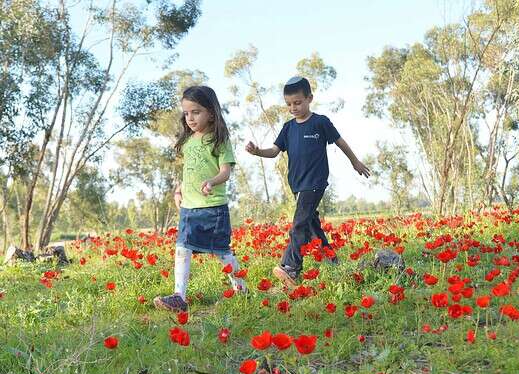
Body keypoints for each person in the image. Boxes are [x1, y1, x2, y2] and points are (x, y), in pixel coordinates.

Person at [246, 76, 370, 287]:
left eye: (297, 102)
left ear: (309, 98)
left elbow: (340, 142)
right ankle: (334, 262)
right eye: (288, 104)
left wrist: (355, 162)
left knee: (299, 225)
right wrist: (258, 151)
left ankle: (291, 268)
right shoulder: (288, 128)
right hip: (297, 185)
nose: (293, 107)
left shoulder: (320, 122)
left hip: (315, 183)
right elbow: (274, 151)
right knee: (312, 227)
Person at [154, 86, 246, 313]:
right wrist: (179, 189)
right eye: (186, 113)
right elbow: (189, 171)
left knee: (221, 251)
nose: (190, 118)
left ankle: (242, 289)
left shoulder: (219, 140)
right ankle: (179, 296)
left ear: (211, 113)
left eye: (196, 112)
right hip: (189, 208)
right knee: (182, 248)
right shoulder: (187, 142)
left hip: (213, 207)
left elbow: (225, 171)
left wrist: (212, 182)